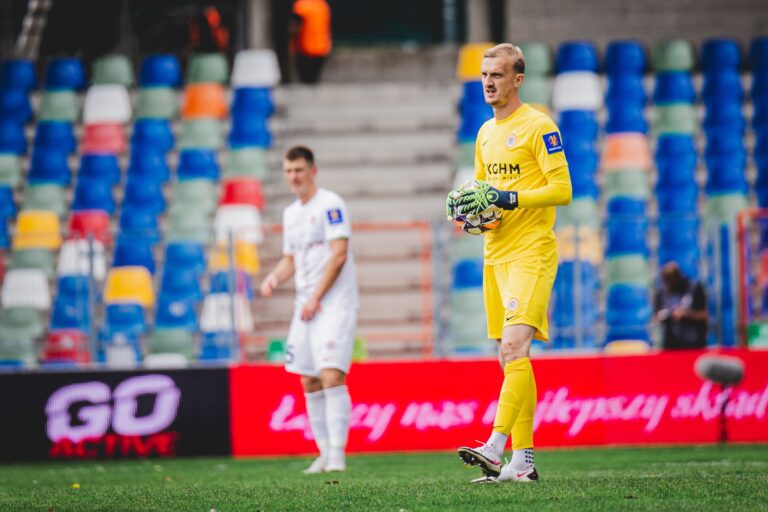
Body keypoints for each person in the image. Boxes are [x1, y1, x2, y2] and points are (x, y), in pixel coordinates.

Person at [446, 43, 572, 483]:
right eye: (484, 75)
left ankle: (495, 447)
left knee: (513, 349)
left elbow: (562, 190)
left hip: (532, 252)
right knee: (511, 358)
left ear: (518, 79)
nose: (488, 82)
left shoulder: (539, 126)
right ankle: (524, 463)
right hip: (495, 254)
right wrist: (476, 216)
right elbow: (486, 195)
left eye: (497, 75)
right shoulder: (484, 133)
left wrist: (510, 197)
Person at [260, 145, 358, 473]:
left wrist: (316, 297)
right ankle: (323, 452)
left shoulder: (330, 204)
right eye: (288, 171)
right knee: (308, 380)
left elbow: (339, 253)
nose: (293, 177)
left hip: (334, 303)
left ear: (312, 171)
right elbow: (291, 258)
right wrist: (274, 277)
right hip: (306, 305)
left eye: (299, 170)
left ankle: (338, 455)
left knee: (331, 374)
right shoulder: (291, 213)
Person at [654, 261, 708, 350]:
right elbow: (656, 316)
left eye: (671, 280)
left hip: (693, 343)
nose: (669, 285)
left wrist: (686, 314)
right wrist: (663, 315)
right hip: (670, 344)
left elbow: (704, 315)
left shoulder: (694, 288)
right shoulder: (661, 292)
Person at [290, 0, 332, 84]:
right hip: (322, 48)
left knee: (305, 82)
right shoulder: (322, 5)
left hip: (306, 49)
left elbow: (295, 27)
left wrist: (291, 44)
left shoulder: (301, 5)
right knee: (313, 82)